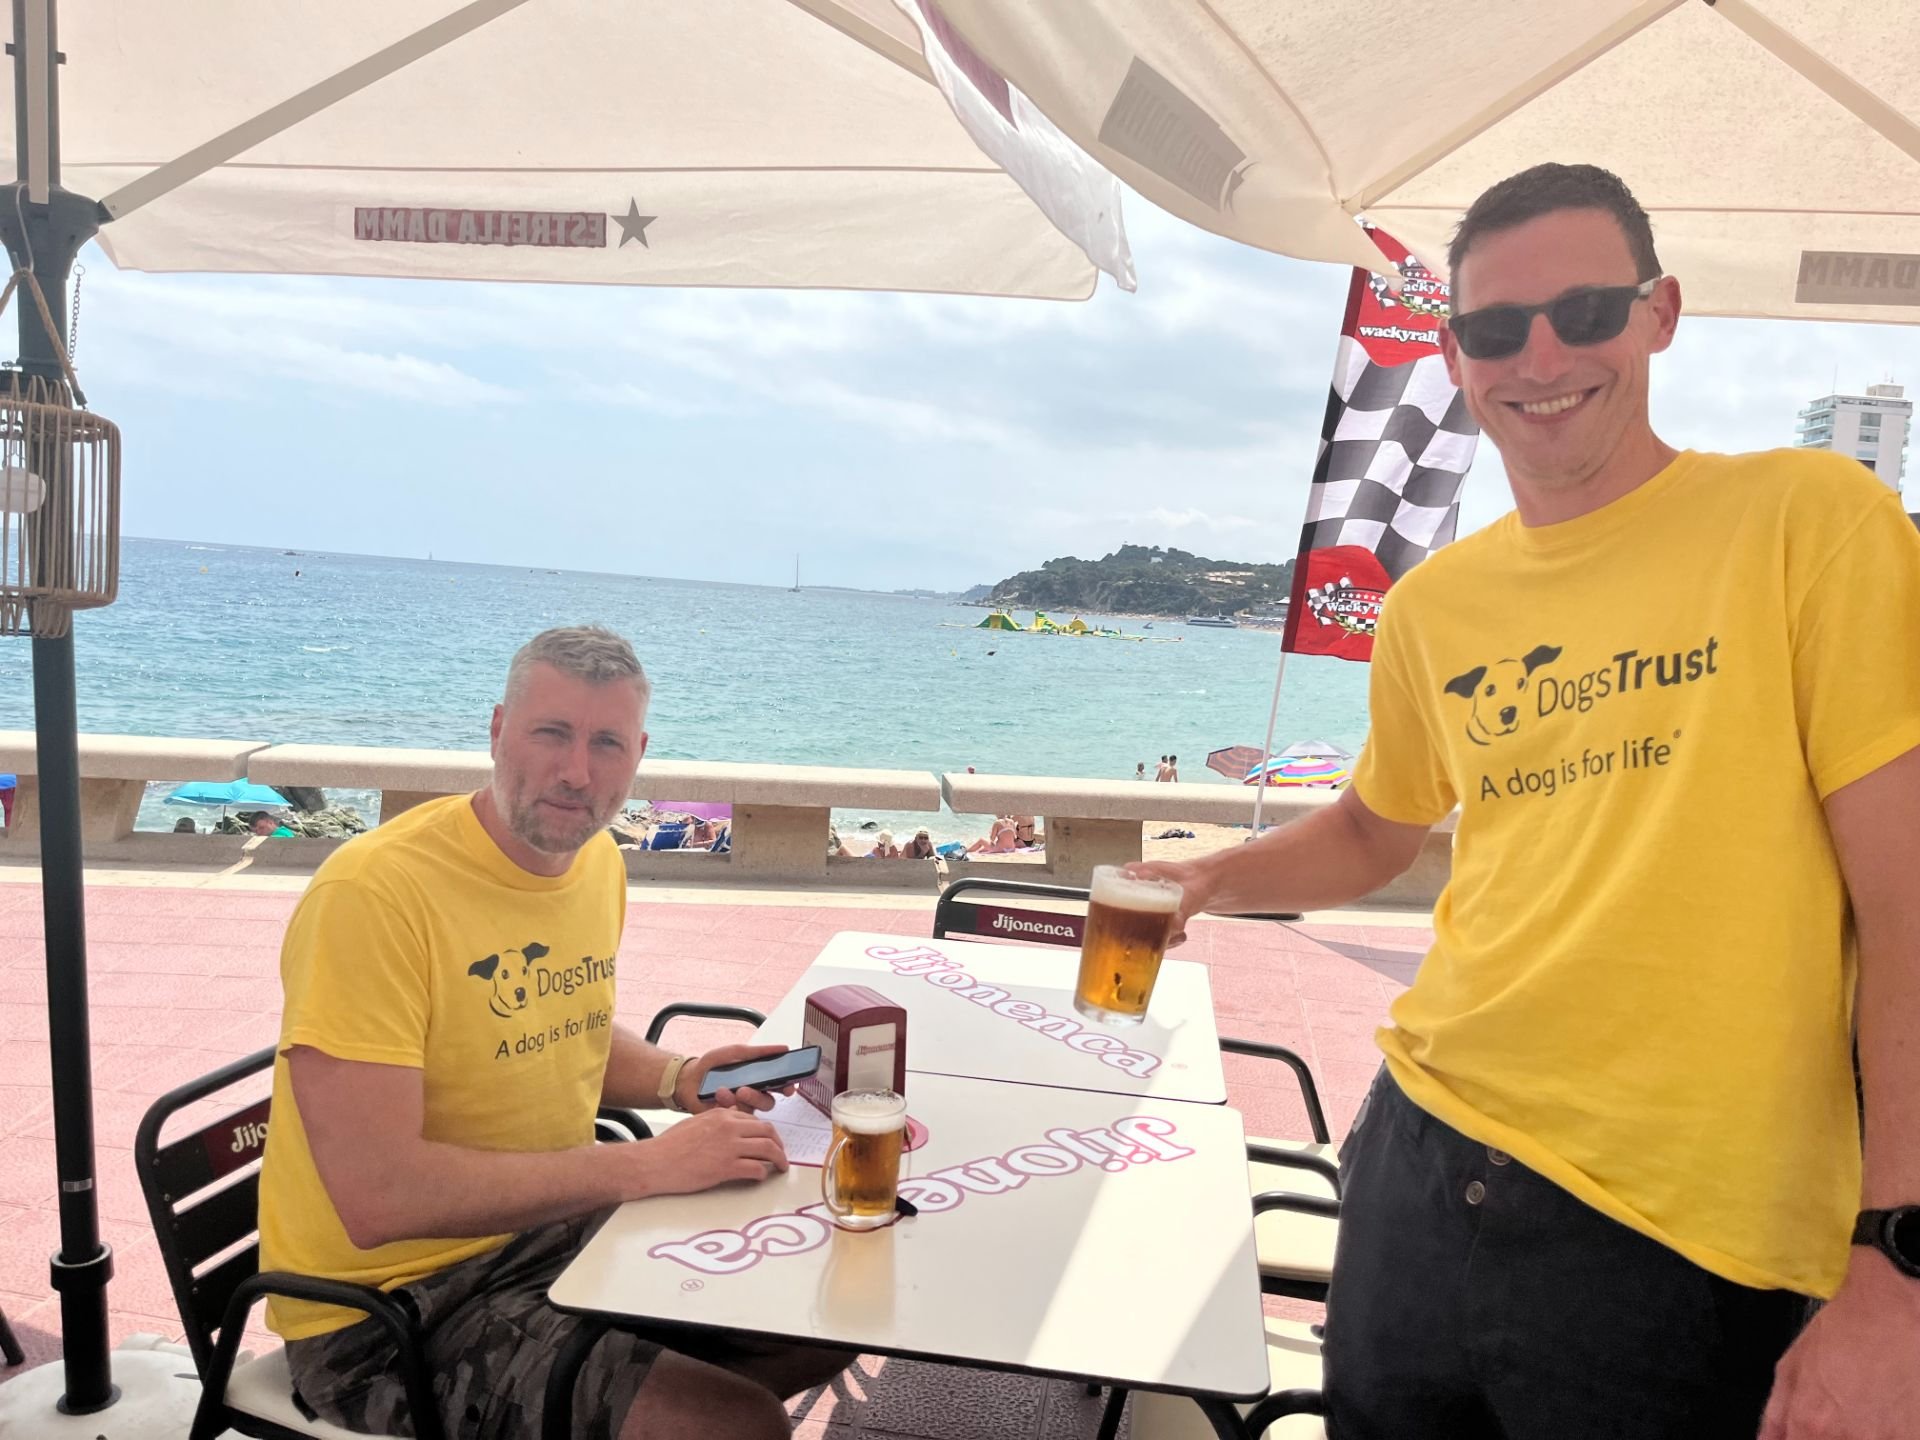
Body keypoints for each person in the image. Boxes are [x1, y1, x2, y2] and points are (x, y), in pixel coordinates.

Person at [1129, 164, 1920, 1439]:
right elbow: (1379, 827)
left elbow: (1909, 913)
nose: (1541, 355)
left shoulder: (1810, 521)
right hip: (1421, 1155)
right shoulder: (1436, 606)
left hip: (1685, 1229)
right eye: (1497, 329)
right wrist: (1215, 879)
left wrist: (1899, 1272)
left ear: (1661, 313)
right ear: (1456, 353)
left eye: (1587, 311)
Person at [258, 626, 849, 1440]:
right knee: (735, 1425)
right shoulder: (375, 895)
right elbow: (378, 1195)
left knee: (825, 1311)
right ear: (498, 730)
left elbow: (559, 1028)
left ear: (639, 752)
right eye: (551, 733)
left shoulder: (593, 859)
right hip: (393, 1314)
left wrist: (681, 1077)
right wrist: (642, 1166)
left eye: (606, 743)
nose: (578, 773)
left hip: (553, 1235)